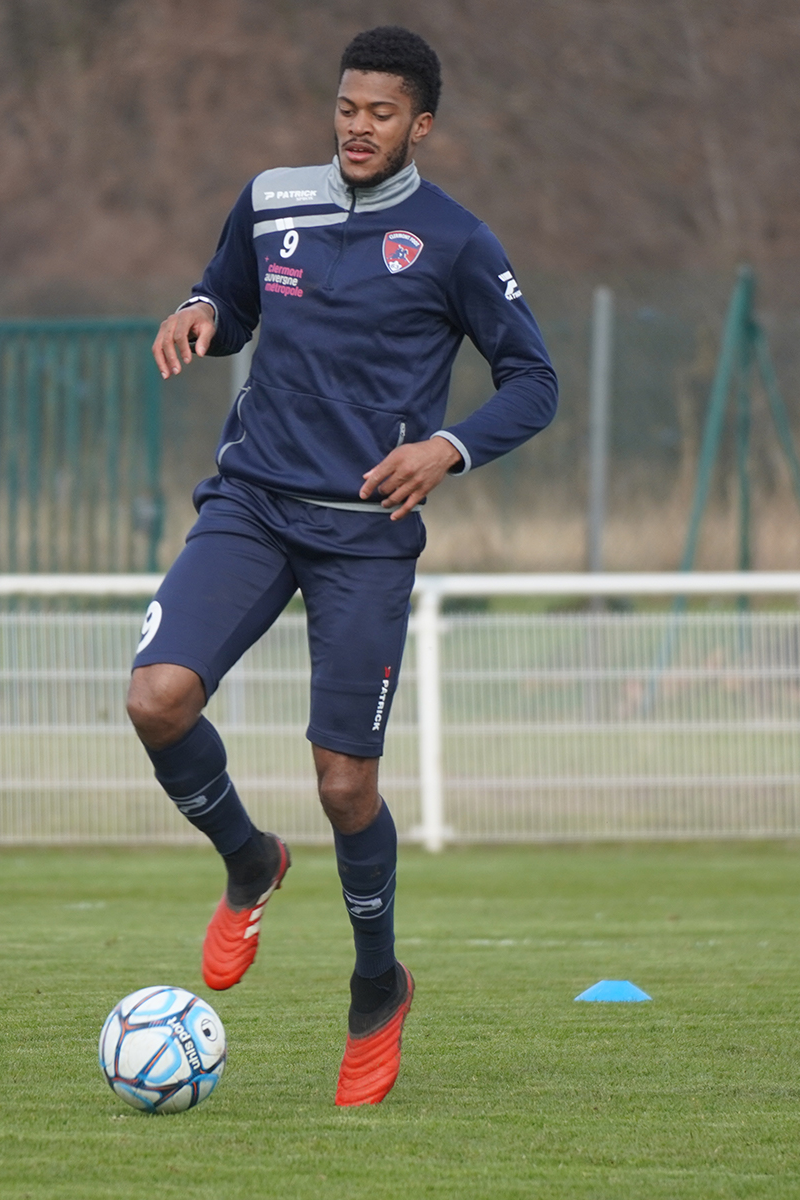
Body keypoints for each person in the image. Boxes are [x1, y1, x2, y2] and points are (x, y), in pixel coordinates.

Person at [129, 24, 557, 1106]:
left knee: (343, 784)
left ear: (422, 125)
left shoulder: (456, 242)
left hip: (364, 533)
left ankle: (376, 988)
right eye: (347, 107)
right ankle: (247, 859)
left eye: (382, 113)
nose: (358, 128)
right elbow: (229, 303)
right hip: (253, 505)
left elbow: (534, 380)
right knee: (156, 700)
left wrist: (447, 447)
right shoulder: (272, 199)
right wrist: (199, 310)